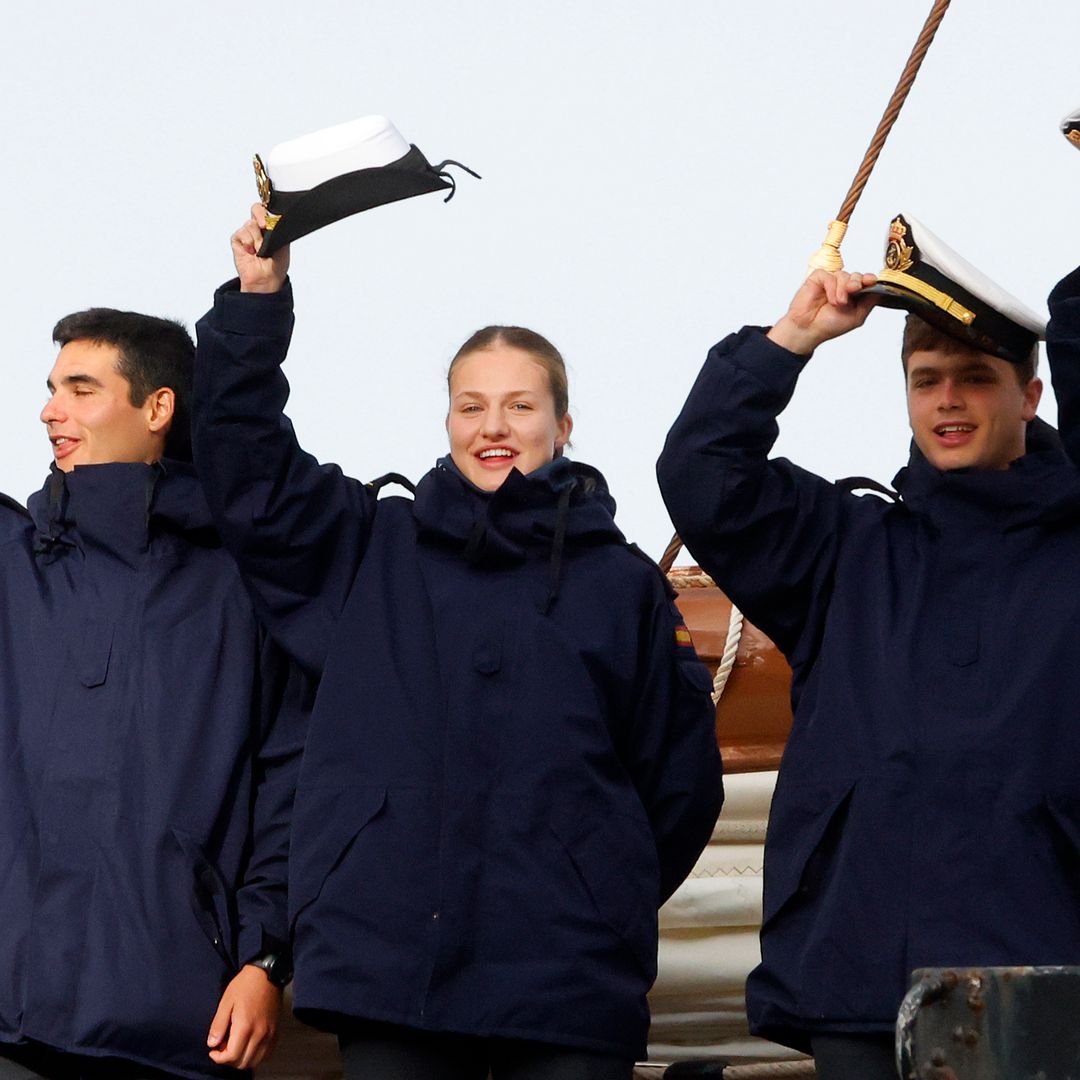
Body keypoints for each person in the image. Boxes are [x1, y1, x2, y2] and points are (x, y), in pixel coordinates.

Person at [189, 203, 723, 1080]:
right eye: (471, 406)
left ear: (564, 425)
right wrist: (257, 299)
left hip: (567, 983)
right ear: (445, 422)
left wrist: (595, 879)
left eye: (520, 405)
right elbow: (248, 471)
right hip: (391, 968)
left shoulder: (622, 585)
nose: (494, 427)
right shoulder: (370, 548)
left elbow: (679, 780)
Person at [657, 216, 1080, 1080]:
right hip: (861, 966)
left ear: (1031, 398)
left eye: (975, 378)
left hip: (1040, 966)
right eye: (926, 381)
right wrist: (790, 341)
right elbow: (704, 472)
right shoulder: (845, 552)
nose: (948, 401)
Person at [0, 308, 308, 1079]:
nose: (50, 410)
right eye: (50, 389)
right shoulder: (12, 561)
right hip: (9, 1014)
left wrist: (265, 960)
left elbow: (288, 790)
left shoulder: (243, 586)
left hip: (169, 1020)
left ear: (158, 407)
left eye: (80, 387)